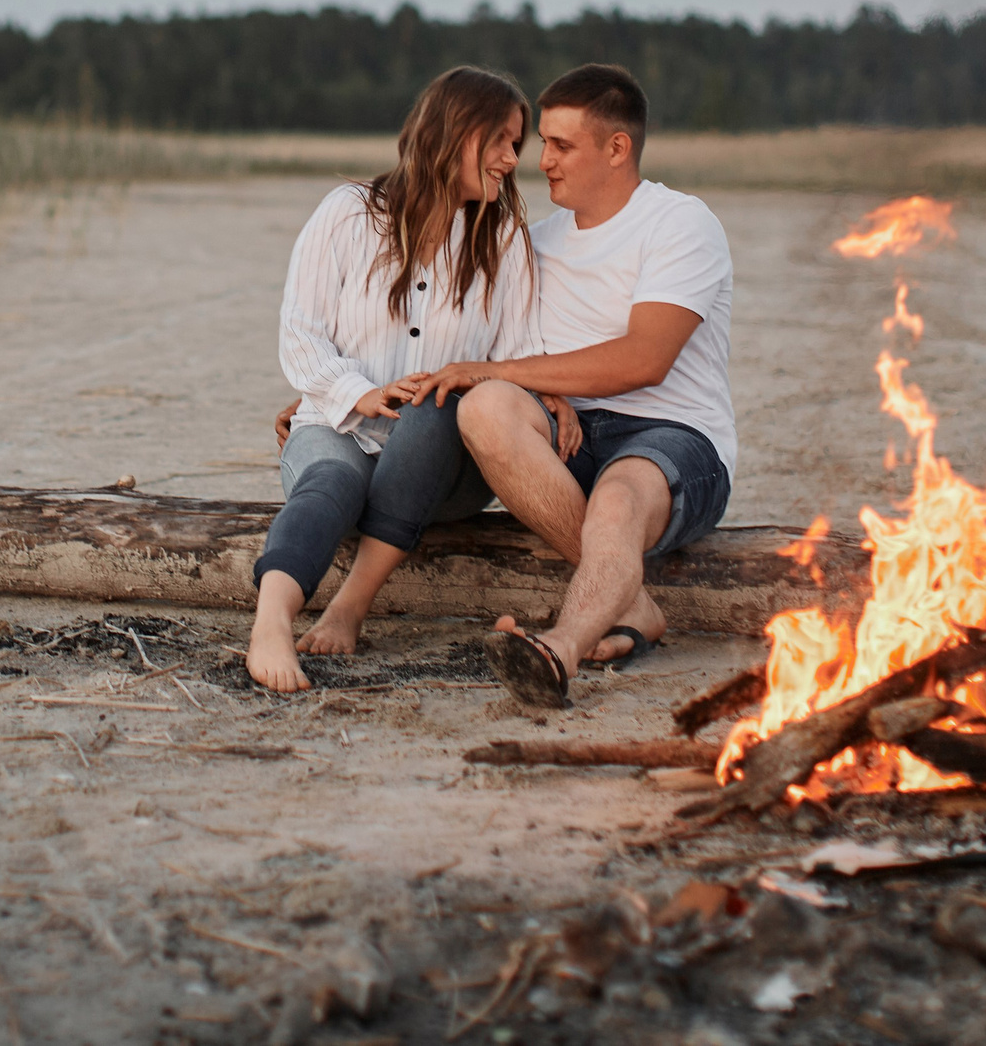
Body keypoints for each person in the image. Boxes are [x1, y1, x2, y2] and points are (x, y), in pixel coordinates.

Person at [404, 62, 734, 707]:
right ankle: (635, 607)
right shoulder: (531, 244)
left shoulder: (679, 223)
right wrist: (332, 390)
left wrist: (499, 372)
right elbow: (455, 345)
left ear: (618, 148)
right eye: (541, 145)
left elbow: (645, 359)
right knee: (488, 409)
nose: (542, 160)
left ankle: (560, 646)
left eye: (561, 145)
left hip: (673, 437)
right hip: (569, 439)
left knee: (615, 498)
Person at [250, 65, 560, 694]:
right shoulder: (347, 214)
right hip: (340, 428)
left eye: (516, 145)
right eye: (500, 139)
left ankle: (350, 606)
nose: (510, 158)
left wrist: (491, 387)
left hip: (443, 466)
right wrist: (357, 393)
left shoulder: (504, 241)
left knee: (436, 405)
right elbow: (299, 333)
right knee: (330, 479)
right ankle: (271, 622)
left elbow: (519, 361)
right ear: (453, 131)